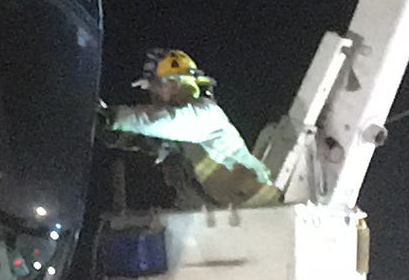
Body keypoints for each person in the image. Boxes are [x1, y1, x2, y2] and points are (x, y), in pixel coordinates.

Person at [100, 50, 280, 209]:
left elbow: (160, 121)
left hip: (260, 209)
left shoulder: (205, 115)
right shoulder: (181, 136)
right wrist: (108, 130)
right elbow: (148, 139)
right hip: (231, 218)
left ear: (173, 84)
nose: (152, 96)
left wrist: (113, 116)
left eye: (156, 88)